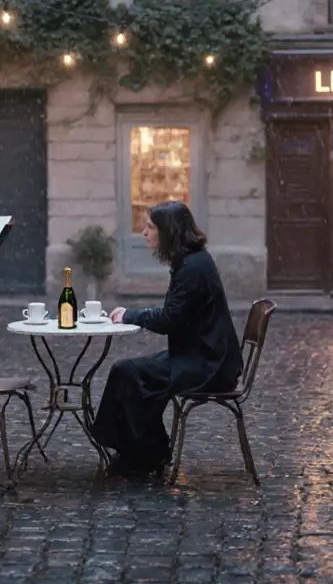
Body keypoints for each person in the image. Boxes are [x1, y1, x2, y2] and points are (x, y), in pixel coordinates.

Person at [91, 200, 243, 478]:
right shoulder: (192, 260)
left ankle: (145, 454)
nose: (144, 233)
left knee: (131, 374)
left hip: (208, 364)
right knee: (127, 371)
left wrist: (130, 315)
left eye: (150, 227)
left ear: (168, 231)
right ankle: (142, 451)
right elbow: (174, 316)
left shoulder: (192, 266)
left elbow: (168, 321)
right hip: (202, 355)